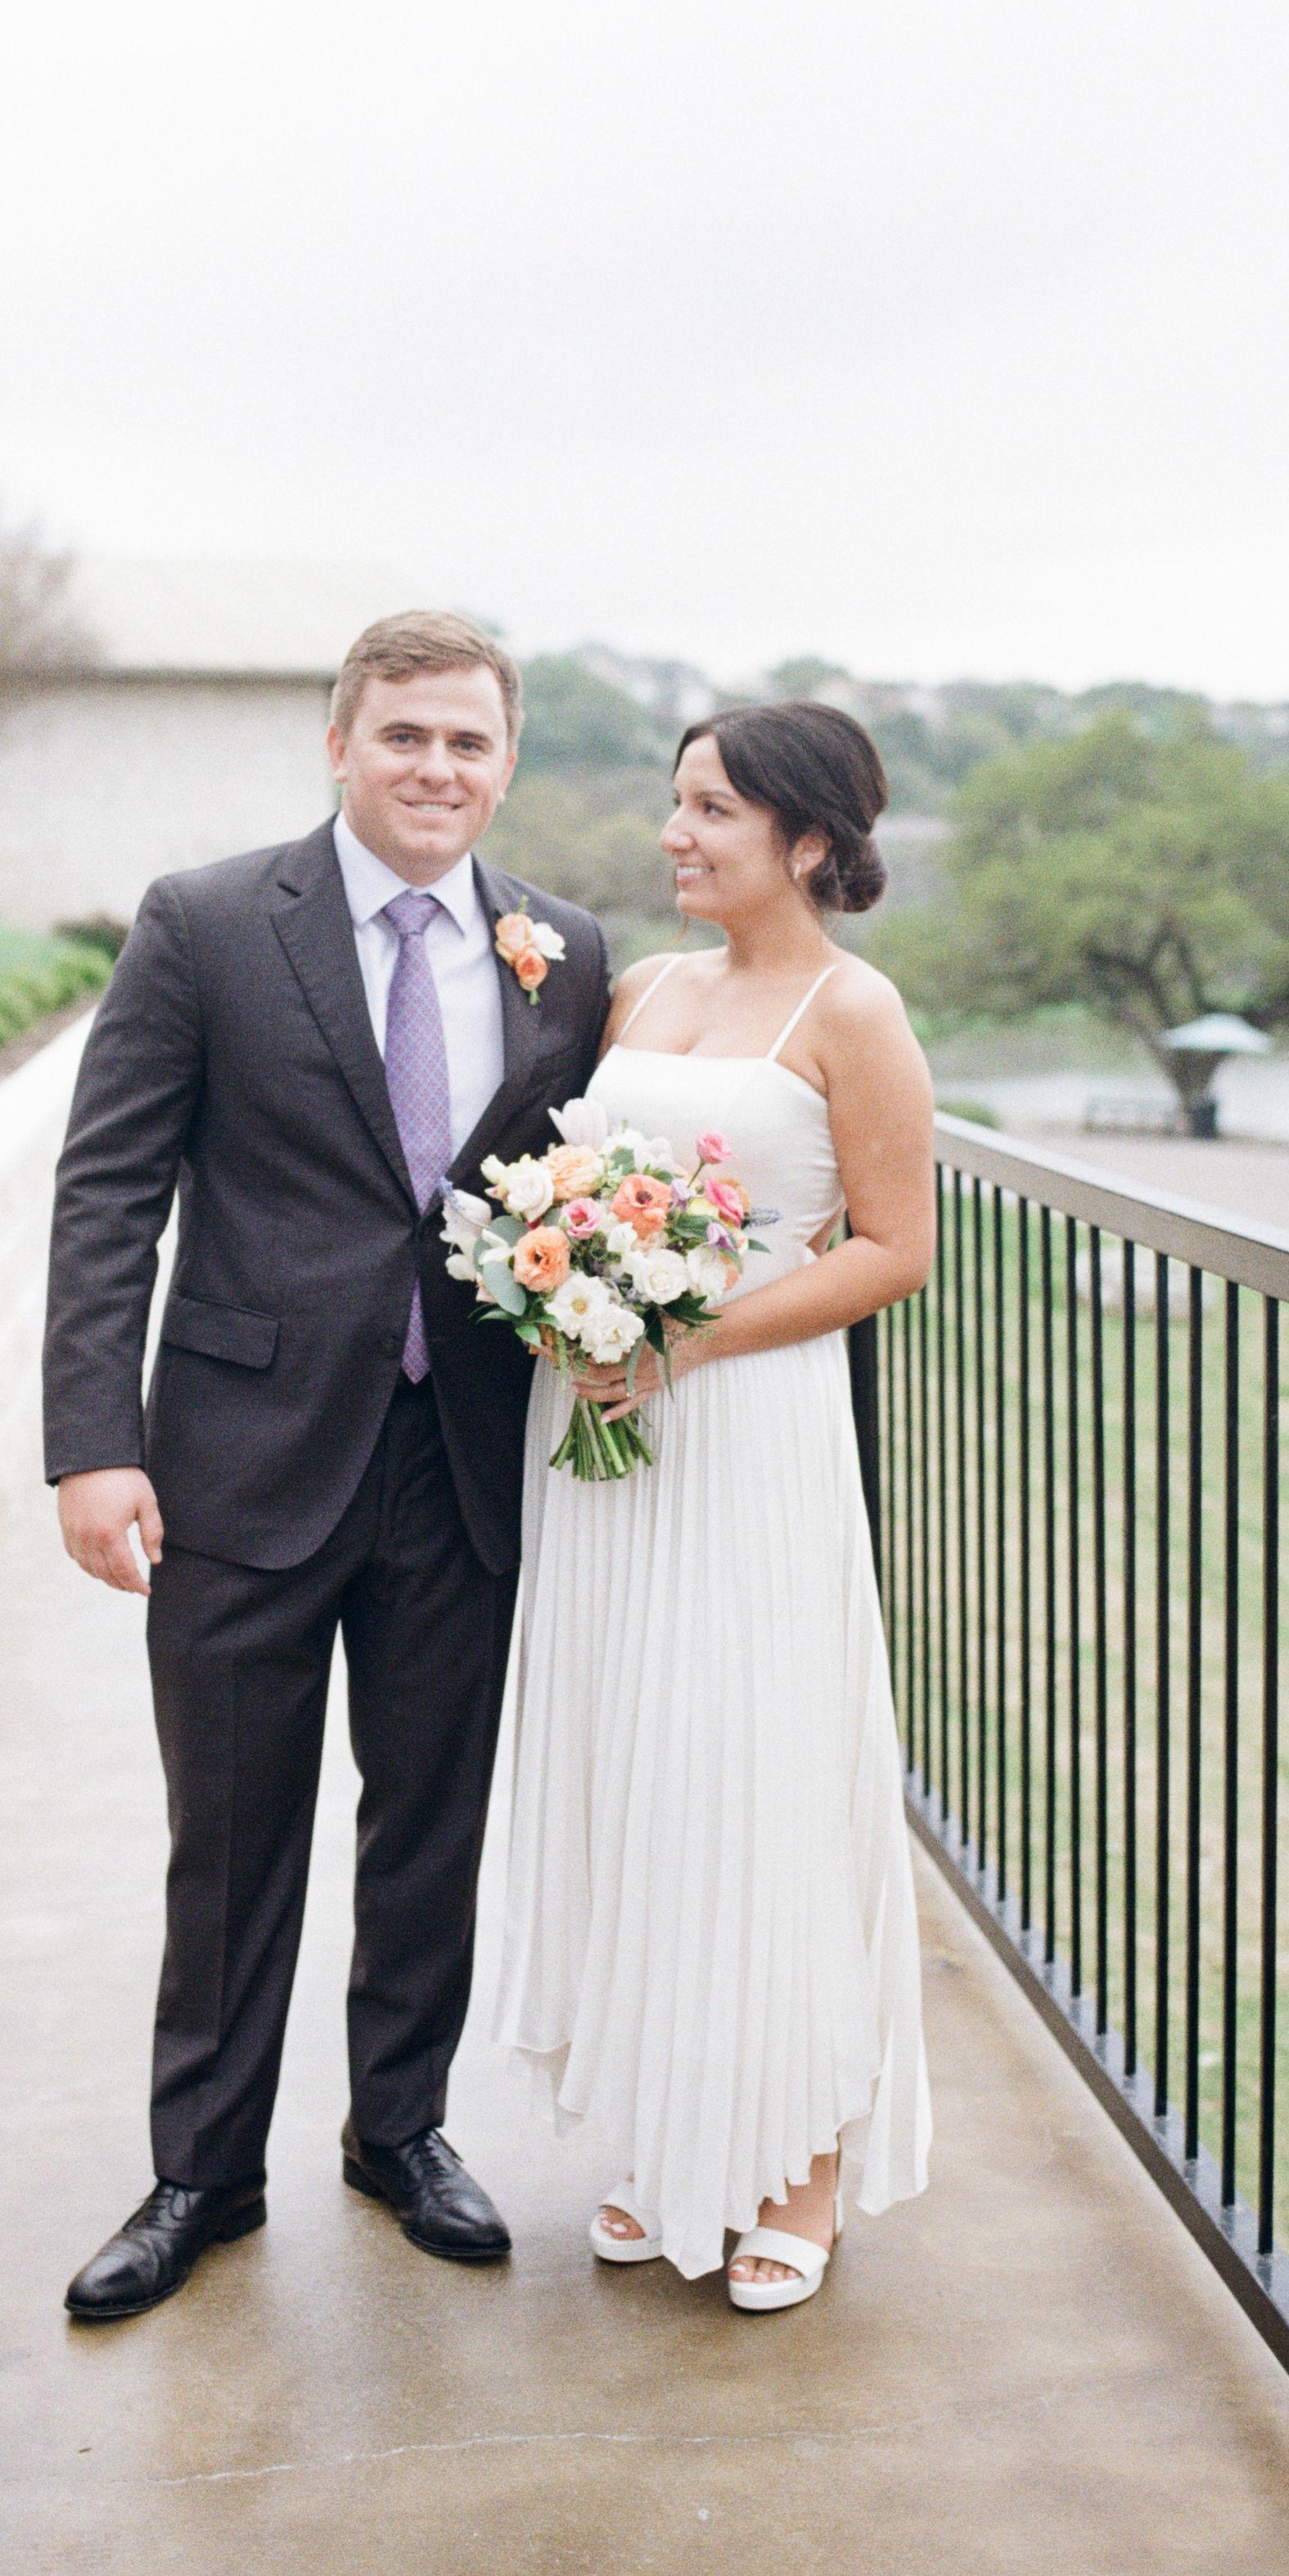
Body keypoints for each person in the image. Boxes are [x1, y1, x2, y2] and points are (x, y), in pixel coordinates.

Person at [43, 610, 610, 2322]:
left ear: (505, 762)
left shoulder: (564, 951)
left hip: (465, 1462)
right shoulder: (208, 922)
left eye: (468, 741)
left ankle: (401, 2130)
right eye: (405, 735)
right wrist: (93, 1445)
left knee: (430, 1822)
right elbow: (108, 1192)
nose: (437, 768)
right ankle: (202, 2172)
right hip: (242, 1459)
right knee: (229, 1834)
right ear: (341, 744)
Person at [488, 700, 937, 2309]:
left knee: (751, 1767)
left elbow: (893, 1248)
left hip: (744, 1434)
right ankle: (669, 2134)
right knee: (637, 1769)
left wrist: (681, 1339)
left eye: (712, 810)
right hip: (599, 1437)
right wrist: (565, 1292)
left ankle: (799, 2165)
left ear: (808, 842)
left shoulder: (853, 1009)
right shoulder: (644, 988)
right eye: (677, 802)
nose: (674, 833)